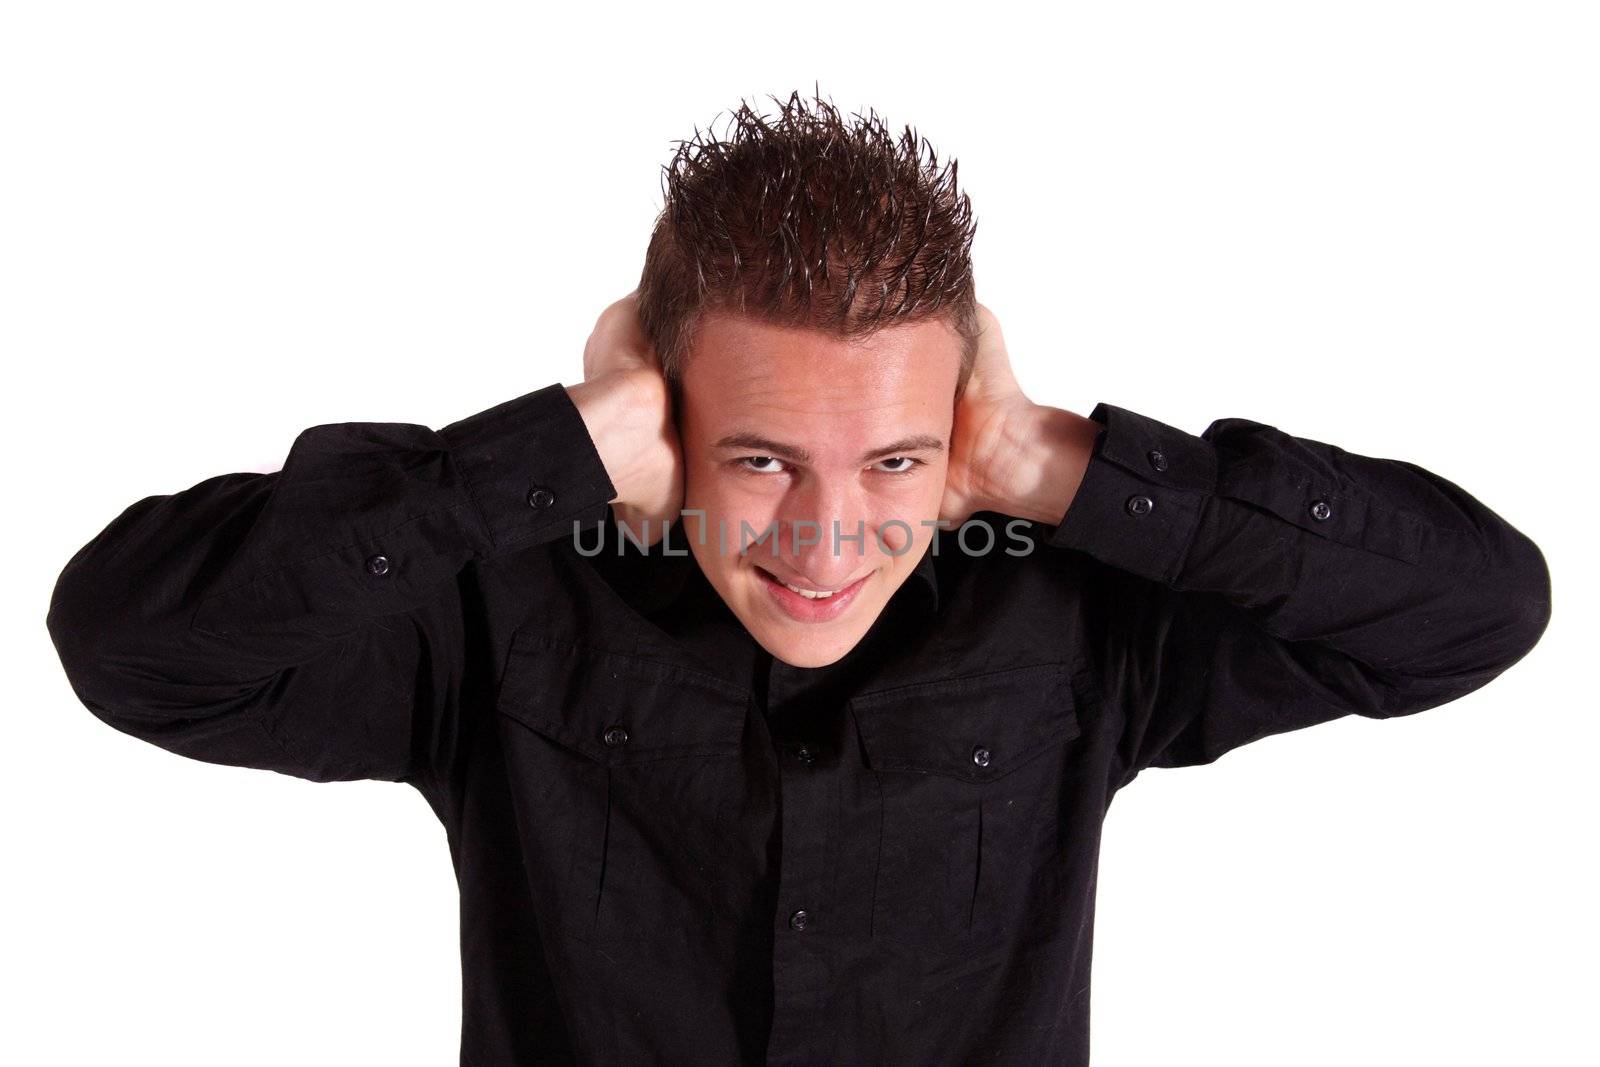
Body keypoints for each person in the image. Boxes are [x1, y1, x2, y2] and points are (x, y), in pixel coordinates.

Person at [45, 89, 1552, 1066]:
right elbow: (137, 644)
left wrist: (1057, 464)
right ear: (666, 421)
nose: (827, 544)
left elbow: (1474, 608)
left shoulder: (1074, 618)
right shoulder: (499, 618)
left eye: (896, 462)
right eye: (760, 460)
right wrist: (560, 451)